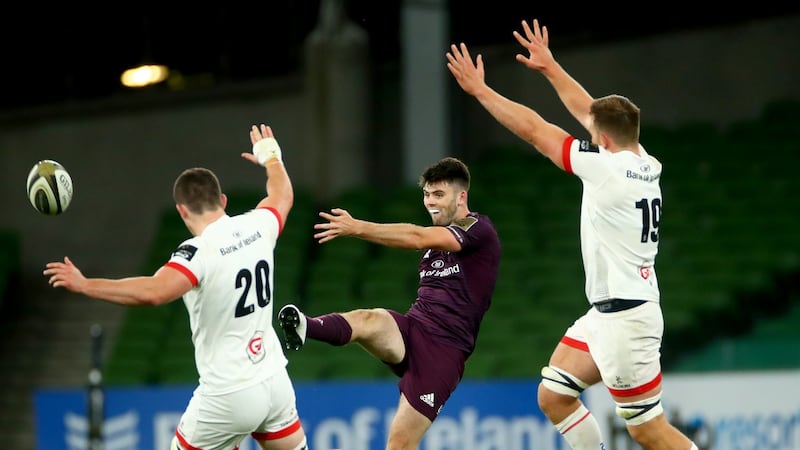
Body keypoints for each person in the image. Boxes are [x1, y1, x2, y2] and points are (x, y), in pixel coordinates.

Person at [446, 18, 698, 450]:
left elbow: (535, 130)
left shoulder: (604, 169)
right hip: (609, 313)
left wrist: (481, 91)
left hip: (625, 319)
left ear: (601, 139)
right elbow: (589, 111)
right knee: (554, 395)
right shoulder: (643, 160)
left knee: (645, 429)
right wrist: (550, 67)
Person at [43, 124, 310, 450]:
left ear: (181, 210)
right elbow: (283, 194)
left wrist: (86, 285)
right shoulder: (258, 224)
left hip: (229, 392)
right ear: (223, 200)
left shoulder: (199, 252)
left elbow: (155, 292)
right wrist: (271, 157)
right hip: (274, 378)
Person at [278, 156, 501, 450]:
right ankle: (306, 326)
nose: (430, 202)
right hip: (413, 331)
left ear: (461, 197)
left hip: (443, 352)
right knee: (370, 319)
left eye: (439, 194)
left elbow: (417, 236)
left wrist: (357, 227)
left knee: (398, 445)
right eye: (426, 194)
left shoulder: (477, 228)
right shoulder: (433, 249)